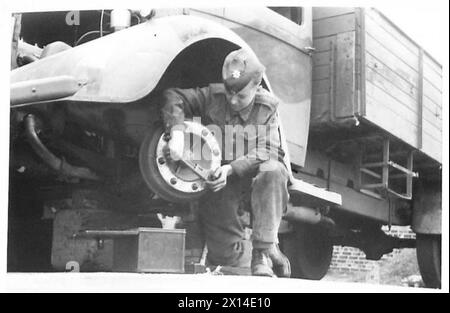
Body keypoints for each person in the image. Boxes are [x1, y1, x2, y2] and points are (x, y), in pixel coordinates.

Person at [161, 48, 291, 277]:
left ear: (257, 84)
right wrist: (177, 132)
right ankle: (271, 253)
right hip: (221, 188)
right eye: (230, 92)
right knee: (222, 258)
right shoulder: (214, 96)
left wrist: (231, 168)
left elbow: (270, 150)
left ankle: (262, 252)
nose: (232, 100)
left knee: (273, 170)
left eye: (240, 96)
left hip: (253, 184)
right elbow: (174, 96)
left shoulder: (267, 108)